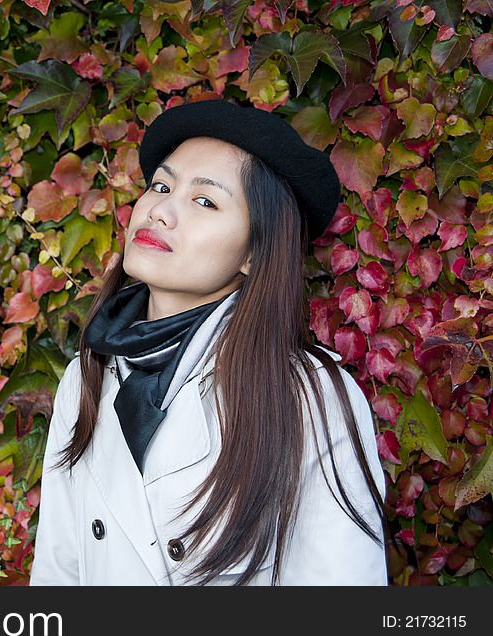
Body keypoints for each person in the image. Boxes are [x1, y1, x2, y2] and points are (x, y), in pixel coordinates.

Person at [28, 98, 391, 586]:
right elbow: (59, 572)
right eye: (161, 186)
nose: (160, 211)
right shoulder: (86, 376)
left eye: (205, 201)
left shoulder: (307, 399)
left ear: (254, 253)